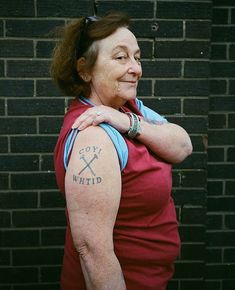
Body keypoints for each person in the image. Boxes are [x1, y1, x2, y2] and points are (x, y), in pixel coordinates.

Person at [52, 12, 193, 290]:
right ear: (85, 69)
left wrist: (129, 122)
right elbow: (93, 253)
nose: (136, 68)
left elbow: (183, 146)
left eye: (137, 58)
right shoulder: (93, 136)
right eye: (121, 57)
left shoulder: (130, 109)